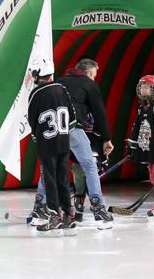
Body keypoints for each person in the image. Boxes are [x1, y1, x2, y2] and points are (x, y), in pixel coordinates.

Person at [40, 58, 114, 226]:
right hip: (73, 128)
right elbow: (99, 113)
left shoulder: (58, 82)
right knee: (89, 165)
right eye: (94, 75)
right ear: (88, 73)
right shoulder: (88, 84)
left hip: (54, 130)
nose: (94, 79)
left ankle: (40, 205)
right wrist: (106, 139)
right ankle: (98, 208)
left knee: (50, 167)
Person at [27, 56, 77, 236]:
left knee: (49, 179)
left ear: (37, 73)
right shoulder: (62, 89)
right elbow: (72, 117)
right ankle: (69, 215)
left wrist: (37, 136)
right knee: (63, 177)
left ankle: (55, 215)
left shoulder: (35, 93)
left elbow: (32, 120)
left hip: (47, 143)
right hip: (63, 141)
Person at [126, 75, 154, 219]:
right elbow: (136, 127)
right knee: (153, 176)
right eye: (141, 87)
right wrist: (132, 145)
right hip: (149, 148)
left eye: (146, 87)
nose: (142, 90)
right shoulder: (142, 107)